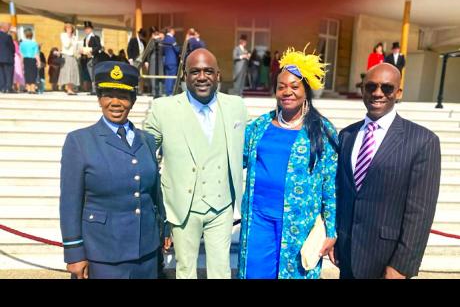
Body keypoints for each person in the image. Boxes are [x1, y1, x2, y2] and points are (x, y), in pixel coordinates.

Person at [59, 61, 170, 279]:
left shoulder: (146, 140)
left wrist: (163, 228)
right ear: (99, 98)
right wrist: (74, 253)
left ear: (134, 99)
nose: (116, 102)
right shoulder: (79, 141)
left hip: (146, 253)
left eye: (124, 95)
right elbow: (70, 203)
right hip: (102, 254)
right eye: (108, 94)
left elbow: (154, 193)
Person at [144, 48, 247, 279]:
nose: (202, 77)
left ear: (218, 75)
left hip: (222, 204)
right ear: (184, 75)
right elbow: (144, 151)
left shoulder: (236, 106)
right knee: (185, 270)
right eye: (195, 72)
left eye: (208, 71)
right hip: (183, 204)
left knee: (221, 271)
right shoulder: (164, 109)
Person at [333, 63, 441, 279]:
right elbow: (342, 194)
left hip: (387, 263)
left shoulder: (422, 141)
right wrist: (338, 240)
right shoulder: (346, 136)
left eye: (387, 88)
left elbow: (420, 212)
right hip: (347, 257)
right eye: (370, 87)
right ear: (362, 89)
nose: (377, 93)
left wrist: (401, 265)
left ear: (398, 92)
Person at [238, 46, 338, 279]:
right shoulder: (259, 126)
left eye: (295, 86)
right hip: (258, 220)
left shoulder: (322, 131)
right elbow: (235, 160)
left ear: (306, 91)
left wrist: (331, 229)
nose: (287, 92)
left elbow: (331, 185)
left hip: (299, 224)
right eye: (281, 87)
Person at [79, 21, 102, 94]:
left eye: (88, 28)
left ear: (91, 29)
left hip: (94, 58)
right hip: (87, 58)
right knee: (90, 74)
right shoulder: (85, 39)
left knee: (94, 73)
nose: (86, 30)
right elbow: (85, 47)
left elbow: (98, 47)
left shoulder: (95, 37)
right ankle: (93, 89)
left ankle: (95, 89)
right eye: (85, 29)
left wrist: (91, 50)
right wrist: (82, 52)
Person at [58, 23, 80, 95]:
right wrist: (70, 37)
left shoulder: (75, 37)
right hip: (67, 55)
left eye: (70, 28)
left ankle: (71, 88)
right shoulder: (63, 35)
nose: (69, 29)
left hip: (73, 56)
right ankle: (68, 89)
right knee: (67, 72)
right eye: (67, 28)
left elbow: (76, 46)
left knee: (73, 73)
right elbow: (66, 45)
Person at [144, 26, 165, 98]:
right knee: (158, 77)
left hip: (154, 60)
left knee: (154, 76)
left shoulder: (154, 41)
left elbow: (148, 50)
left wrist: (153, 39)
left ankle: (155, 92)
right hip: (159, 60)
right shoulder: (161, 40)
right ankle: (159, 92)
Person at [19, 28, 40, 94]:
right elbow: (36, 54)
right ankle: (33, 89)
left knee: (27, 73)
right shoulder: (34, 43)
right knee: (33, 74)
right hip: (32, 60)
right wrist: (38, 62)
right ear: (32, 35)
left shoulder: (22, 44)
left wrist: (21, 63)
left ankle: (28, 89)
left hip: (25, 60)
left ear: (25, 35)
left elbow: (21, 54)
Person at [162, 27, 180, 96]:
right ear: (171, 31)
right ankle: (170, 92)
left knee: (167, 76)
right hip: (172, 61)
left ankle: (167, 91)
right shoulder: (172, 39)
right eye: (174, 31)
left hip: (166, 60)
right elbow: (177, 49)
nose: (174, 32)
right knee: (171, 76)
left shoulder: (164, 39)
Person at [0, 22, 14, 93]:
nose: (9, 29)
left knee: (1, 73)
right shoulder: (8, 36)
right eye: (8, 27)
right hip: (7, 58)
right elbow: (12, 48)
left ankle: (2, 88)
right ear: (4, 27)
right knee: (8, 73)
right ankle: (8, 88)